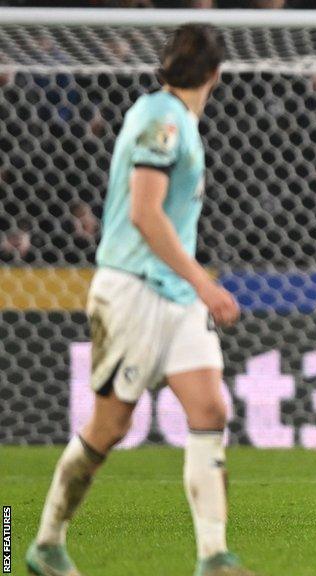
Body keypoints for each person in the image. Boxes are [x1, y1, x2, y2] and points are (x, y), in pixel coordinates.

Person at [26, 24, 254, 576]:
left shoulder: (174, 117)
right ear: (216, 74)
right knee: (110, 428)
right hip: (133, 289)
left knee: (210, 409)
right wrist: (204, 282)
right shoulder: (162, 120)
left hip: (172, 295)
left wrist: (191, 286)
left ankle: (213, 558)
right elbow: (144, 215)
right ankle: (42, 543)